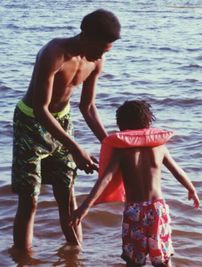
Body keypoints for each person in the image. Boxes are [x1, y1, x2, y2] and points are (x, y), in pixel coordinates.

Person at [11, 9, 121, 252]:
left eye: (106, 52)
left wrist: (111, 144)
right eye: (100, 49)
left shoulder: (96, 61)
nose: (100, 57)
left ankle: (76, 254)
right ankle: (24, 258)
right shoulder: (54, 54)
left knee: (67, 194)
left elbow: (88, 107)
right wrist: (76, 148)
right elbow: (41, 109)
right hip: (30, 122)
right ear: (85, 36)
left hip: (62, 121)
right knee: (29, 200)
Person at [70, 100, 200, 267]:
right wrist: (191, 189)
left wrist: (84, 207)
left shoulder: (121, 150)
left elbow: (106, 179)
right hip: (157, 208)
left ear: (122, 126)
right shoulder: (159, 147)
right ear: (147, 122)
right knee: (163, 259)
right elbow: (177, 171)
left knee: (133, 260)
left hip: (135, 210)